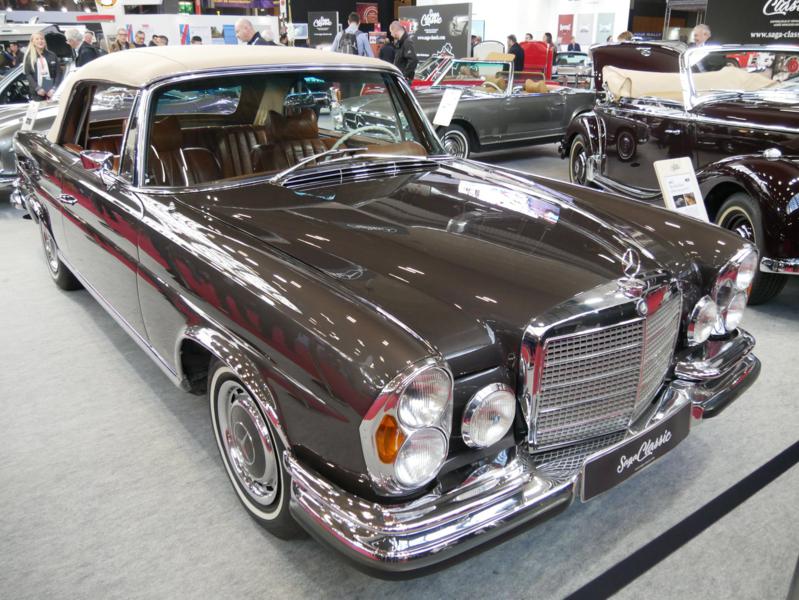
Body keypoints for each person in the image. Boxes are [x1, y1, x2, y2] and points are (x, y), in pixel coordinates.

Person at [24, 32, 61, 101]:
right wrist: (37, 88)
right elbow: (28, 74)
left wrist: (54, 88)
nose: (40, 41)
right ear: (32, 42)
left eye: (42, 39)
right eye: (37, 39)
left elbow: (58, 73)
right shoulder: (29, 57)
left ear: (45, 41)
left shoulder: (52, 55)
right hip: (37, 93)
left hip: (52, 93)